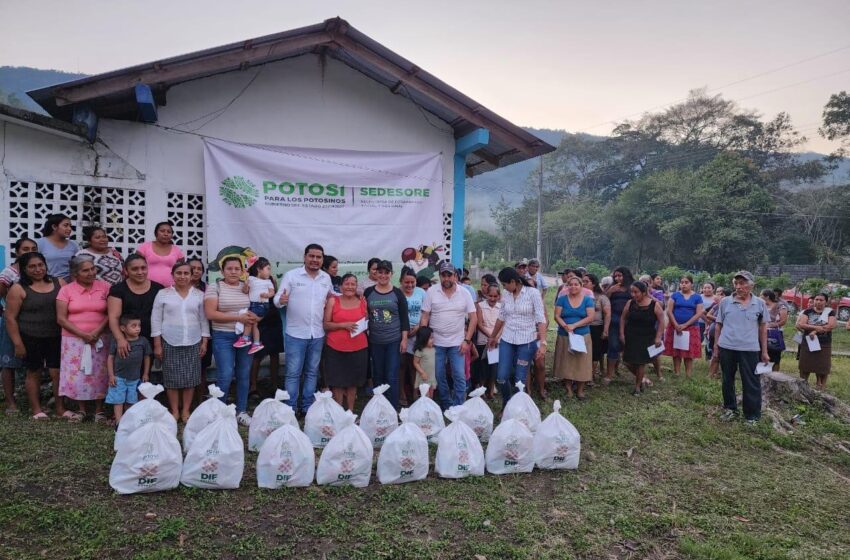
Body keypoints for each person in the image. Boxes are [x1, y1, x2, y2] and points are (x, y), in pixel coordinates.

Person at [3, 252, 68, 419]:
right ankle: (37, 410)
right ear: (24, 269)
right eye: (32, 266)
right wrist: (18, 343)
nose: (38, 269)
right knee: (34, 371)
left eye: (40, 265)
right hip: (30, 337)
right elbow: (10, 317)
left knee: (57, 372)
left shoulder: (59, 282)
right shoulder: (18, 289)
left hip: (57, 336)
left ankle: (60, 409)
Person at [274, 243, 332, 414]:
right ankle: (290, 408)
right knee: (293, 373)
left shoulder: (325, 278)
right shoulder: (292, 276)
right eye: (311, 256)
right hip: (295, 334)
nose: (315, 260)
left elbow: (331, 298)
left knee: (312, 372)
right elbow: (277, 299)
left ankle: (307, 407)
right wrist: (281, 301)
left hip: (317, 334)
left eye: (318, 257)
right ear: (305, 257)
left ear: (322, 259)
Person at [151, 260, 209, 422]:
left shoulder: (199, 295)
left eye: (186, 273)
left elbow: (204, 320)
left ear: (191, 276)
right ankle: (174, 410)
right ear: (173, 275)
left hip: (193, 340)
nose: (182, 276)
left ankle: (186, 410)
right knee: (171, 379)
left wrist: (204, 341)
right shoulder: (163, 294)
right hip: (169, 340)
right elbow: (155, 320)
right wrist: (157, 344)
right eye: (179, 273)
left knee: (190, 378)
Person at [56, 255, 112, 422]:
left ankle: (99, 410)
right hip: (73, 340)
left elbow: (111, 313)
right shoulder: (66, 290)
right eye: (85, 270)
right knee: (79, 374)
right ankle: (81, 410)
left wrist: (95, 332)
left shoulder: (105, 287)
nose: (90, 273)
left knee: (99, 373)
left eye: (92, 269)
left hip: (100, 338)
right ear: (75, 273)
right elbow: (61, 318)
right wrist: (83, 335)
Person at [204, 256, 258, 425]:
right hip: (223, 336)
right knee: (225, 374)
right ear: (222, 271)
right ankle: (219, 412)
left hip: (245, 336)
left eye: (237, 269)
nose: (233, 272)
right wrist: (238, 317)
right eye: (229, 269)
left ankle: (241, 411)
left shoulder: (247, 288)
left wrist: (254, 317)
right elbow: (210, 314)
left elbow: (258, 307)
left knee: (244, 374)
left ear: (243, 271)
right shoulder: (215, 287)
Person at [713, 271, 770, 425]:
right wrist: (716, 346)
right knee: (727, 379)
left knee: (751, 381)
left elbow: (763, 328)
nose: (738, 287)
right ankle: (730, 408)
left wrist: (764, 351)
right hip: (727, 346)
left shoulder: (759, 303)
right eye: (736, 283)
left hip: (750, 348)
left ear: (751, 285)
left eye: (742, 283)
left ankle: (752, 415)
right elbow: (718, 325)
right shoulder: (725, 302)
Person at [419, 261, 477, 409]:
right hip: (436, 342)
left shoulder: (464, 293)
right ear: (440, 277)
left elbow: (473, 318)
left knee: (459, 375)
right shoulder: (432, 291)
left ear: (455, 276)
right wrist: (424, 339)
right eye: (443, 275)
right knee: (438, 375)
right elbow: (425, 316)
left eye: (449, 275)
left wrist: (467, 340)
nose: (446, 279)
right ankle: (446, 403)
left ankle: (458, 406)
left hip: (458, 342)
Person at [488, 267, 546, 407]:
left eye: (505, 284)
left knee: (519, 380)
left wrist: (543, 343)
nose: (504, 288)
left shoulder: (533, 293)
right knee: (501, 377)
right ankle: (507, 403)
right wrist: (493, 337)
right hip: (507, 340)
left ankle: (520, 410)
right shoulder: (507, 295)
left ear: (513, 281)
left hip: (526, 341)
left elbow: (540, 319)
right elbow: (501, 317)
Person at [364, 260, 409, 410]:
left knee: (391, 375)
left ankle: (392, 408)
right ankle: (378, 407)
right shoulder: (369, 292)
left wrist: (404, 339)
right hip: (375, 341)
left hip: (393, 341)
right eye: (380, 272)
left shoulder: (397, 293)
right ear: (375, 273)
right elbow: (363, 313)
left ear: (391, 274)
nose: (383, 275)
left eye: (386, 272)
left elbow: (404, 319)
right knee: (378, 374)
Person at [0, 237, 38, 414]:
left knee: (34, 363)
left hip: (33, 324)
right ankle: (11, 403)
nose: (30, 251)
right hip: (12, 322)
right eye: (25, 249)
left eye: (33, 248)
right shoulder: (10, 272)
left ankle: (34, 402)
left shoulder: (38, 270)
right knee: (9, 363)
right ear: (17, 252)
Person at [107, 254, 163, 370]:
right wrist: (120, 339)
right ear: (126, 270)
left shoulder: (158, 289)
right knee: (125, 375)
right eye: (135, 269)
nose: (140, 272)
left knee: (145, 374)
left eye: (143, 268)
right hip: (127, 340)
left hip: (151, 339)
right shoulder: (118, 290)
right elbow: (114, 317)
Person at [322, 273, 368, 410]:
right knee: (337, 382)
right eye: (347, 284)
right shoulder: (333, 301)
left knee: (353, 381)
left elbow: (366, 321)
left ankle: (350, 411)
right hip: (335, 348)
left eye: (353, 284)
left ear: (356, 286)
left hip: (358, 347)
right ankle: (338, 411)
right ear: (341, 287)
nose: (350, 287)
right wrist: (343, 325)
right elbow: (326, 325)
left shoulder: (362, 301)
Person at [553, 276, 595, 400]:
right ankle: (569, 389)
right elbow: (557, 316)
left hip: (582, 335)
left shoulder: (588, 300)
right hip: (565, 335)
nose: (573, 287)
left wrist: (574, 325)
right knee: (567, 362)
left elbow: (590, 317)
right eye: (570, 284)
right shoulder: (562, 299)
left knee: (582, 362)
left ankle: (580, 390)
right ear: (567, 286)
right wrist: (565, 326)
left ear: (581, 286)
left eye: (576, 284)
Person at [620, 281, 665, 396]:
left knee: (641, 362)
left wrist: (658, 337)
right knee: (627, 361)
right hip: (631, 335)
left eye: (636, 292)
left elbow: (661, 321)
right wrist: (622, 334)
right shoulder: (630, 303)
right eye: (632, 292)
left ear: (644, 292)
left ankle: (637, 386)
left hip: (647, 336)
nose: (633, 295)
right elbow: (623, 318)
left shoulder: (654, 304)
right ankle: (643, 378)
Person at [106, 315, 152, 423]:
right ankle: (118, 422)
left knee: (131, 400)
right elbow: (110, 357)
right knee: (118, 400)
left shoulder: (143, 341)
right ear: (123, 328)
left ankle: (129, 421)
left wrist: (145, 373)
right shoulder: (116, 341)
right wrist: (111, 375)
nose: (138, 328)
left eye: (139, 325)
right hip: (118, 378)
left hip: (134, 379)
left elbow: (147, 357)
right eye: (134, 326)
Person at [663, 275, 704, 377]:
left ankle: (688, 375)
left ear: (691, 284)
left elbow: (698, 313)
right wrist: (676, 324)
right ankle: (676, 373)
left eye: (686, 282)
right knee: (676, 351)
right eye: (682, 282)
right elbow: (669, 311)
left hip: (691, 327)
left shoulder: (697, 297)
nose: (684, 284)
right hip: (675, 327)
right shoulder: (675, 295)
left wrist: (685, 324)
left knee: (689, 352)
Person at [236, 256, 276, 355]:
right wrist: (245, 284)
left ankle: (245, 338)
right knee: (254, 324)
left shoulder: (268, 281)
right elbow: (245, 291)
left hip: (262, 305)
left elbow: (272, 292)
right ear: (259, 269)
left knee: (249, 320)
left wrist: (267, 295)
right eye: (268, 269)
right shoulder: (251, 279)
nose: (269, 272)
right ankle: (257, 343)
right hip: (253, 305)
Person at [796, 293, 836, 389]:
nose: (818, 301)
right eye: (816, 299)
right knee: (805, 365)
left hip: (824, 343)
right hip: (808, 342)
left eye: (821, 300)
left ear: (826, 302)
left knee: (823, 366)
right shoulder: (808, 311)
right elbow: (802, 324)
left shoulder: (830, 312)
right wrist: (816, 328)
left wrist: (814, 331)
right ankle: (803, 386)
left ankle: (821, 387)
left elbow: (831, 325)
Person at [400, 268, 427, 406]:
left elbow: (426, 311)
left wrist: (419, 327)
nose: (409, 285)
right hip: (402, 335)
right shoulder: (396, 293)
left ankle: (416, 394)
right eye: (406, 282)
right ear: (401, 281)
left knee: (415, 365)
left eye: (412, 282)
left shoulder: (422, 293)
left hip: (418, 334)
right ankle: (402, 394)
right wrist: (404, 330)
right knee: (402, 365)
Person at [605, 266, 635, 384]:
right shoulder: (612, 287)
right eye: (615, 276)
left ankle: (638, 373)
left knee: (629, 347)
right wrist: (610, 292)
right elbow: (604, 301)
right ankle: (609, 374)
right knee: (613, 346)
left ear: (626, 276)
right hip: (614, 320)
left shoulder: (632, 286)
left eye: (620, 275)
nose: (617, 278)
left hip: (630, 321)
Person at [136, 221, 184, 288]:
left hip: (170, 288)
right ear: (156, 233)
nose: (166, 234)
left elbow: (181, 270)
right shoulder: (145, 247)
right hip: (147, 288)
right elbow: (136, 266)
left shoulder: (177, 250)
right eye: (162, 231)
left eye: (169, 232)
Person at [474, 284, 501, 398]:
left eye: (495, 296)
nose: (492, 299)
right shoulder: (480, 306)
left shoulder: (501, 307)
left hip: (495, 342)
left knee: (493, 366)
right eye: (490, 296)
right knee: (483, 366)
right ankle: (481, 390)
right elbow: (479, 324)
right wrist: (491, 336)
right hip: (483, 341)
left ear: (499, 296)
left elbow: (503, 324)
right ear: (486, 295)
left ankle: (490, 391)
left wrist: (495, 338)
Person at [37, 214, 80, 282]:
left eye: (70, 226)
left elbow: (77, 266)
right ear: (54, 227)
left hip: (69, 286)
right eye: (65, 225)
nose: (69, 229)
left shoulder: (73, 245)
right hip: (48, 284)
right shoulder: (40, 243)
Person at [586, 274, 610, 378]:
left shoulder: (601, 297)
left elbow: (607, 314)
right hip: (582, 327)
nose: (583, 283)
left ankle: (590, 375)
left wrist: (605, 330)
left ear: (594, 283)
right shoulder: (580, 295)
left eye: (586, 281)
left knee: (595, 352)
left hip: (596, 327)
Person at [761, 289, 788, 371]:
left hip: (774, 335)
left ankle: (775, 376)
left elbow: (783, 321)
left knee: (775, 356)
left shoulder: (781, 306)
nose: (759, 297)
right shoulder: (762, 306)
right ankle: (763, 375)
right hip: (762, 333)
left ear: (767, 297)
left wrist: (771, 325)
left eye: (761, 295)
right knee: (762, 354)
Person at [412, 326, 437, 398]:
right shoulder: (419, 351)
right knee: (425, 395)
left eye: (433, 338)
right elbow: (415, 363)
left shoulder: (433, 349)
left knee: (431, 395)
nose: (433, 340)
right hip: (424, 377)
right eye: (430, 338)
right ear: (423, 339)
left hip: (431, 376)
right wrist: (422, 373)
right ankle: (423, 408)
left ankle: (429, 408)